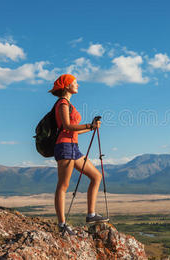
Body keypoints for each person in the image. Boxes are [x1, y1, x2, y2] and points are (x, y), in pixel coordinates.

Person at [49, 74, 109, 235]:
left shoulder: (68, 104)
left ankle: (91, 214)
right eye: (75, 82)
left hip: (73, 147)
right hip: (64, 147)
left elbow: (72, 130)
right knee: (63, 185)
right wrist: (89, 124)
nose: (78, 85)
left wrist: (91, 127)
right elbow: (67, 126)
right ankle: (62, 224)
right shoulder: (62, 103)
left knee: (96, 176)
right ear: (67, 85)